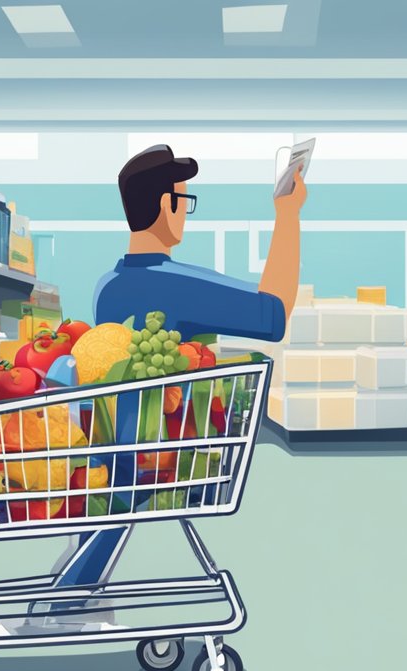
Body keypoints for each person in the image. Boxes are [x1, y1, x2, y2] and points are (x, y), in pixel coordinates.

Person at [53, 144, 308, 589]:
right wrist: (288, 214)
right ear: (166, 205)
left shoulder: (107, 286)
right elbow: (273, 314)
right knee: (122, 501)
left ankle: (78, 585)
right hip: (156, 453)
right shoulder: (171, 285)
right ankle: (71, 596)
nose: (186, 213)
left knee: (112, 503)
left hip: (114, 445)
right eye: (184, 201)